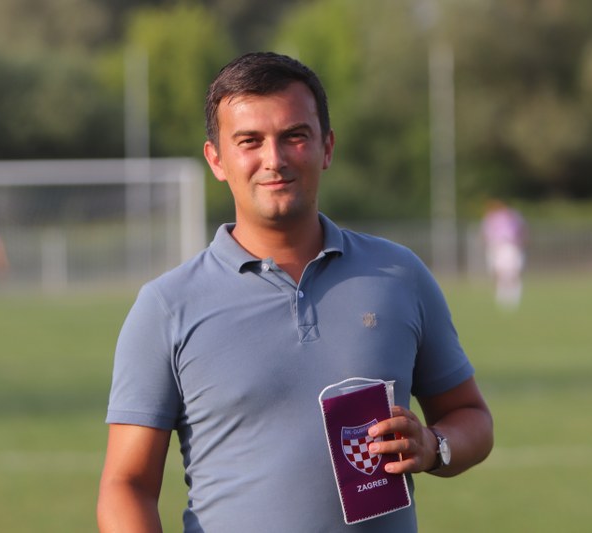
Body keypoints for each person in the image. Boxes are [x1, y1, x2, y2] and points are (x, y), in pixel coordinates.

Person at [98, 52, 493, 532]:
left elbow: (470, 416)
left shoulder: (399, 275)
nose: (275, 159)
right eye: (250, 141)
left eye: (294, 136)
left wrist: (433, 446)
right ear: (217, 159)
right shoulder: (167, 306)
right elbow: (126, 485)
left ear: (327, 147)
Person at [481, 198, 527, 309]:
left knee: (512, 271)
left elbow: (522, 230)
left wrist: (520, 241)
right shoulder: (490, 218)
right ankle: (501, 296)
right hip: (495, 247)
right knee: (498, 272)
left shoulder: (512, 216)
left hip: (509, 246)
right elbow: (485, 233)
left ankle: (513, 295)